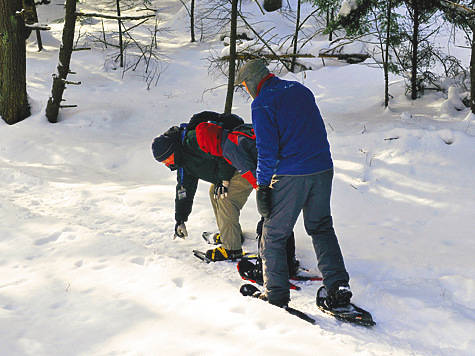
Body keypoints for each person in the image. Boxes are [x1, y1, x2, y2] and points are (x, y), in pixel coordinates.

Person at [234, 59, 352, 308]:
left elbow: (266, 150)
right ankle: (338, 285)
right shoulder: (300, 89)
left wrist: (263, 186)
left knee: (273, 234)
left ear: (253, 82)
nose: (246, 90)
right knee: (321, 227)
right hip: (322, 167)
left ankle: (275, 295)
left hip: (291, 174)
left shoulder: (262, 103)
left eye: (245, 85)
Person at [194, 121, 299, 277]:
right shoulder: (235, 134)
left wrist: (263, 192)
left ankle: (279, 265)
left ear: (209, 144)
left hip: (280, 174)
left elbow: (250, 171)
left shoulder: (229, 146)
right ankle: (285, 261)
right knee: (274, 220)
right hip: (290, 162)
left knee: (270, 221)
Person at [151, 112, 254, 261]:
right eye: (163, 163)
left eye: (166, 160)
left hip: (242, 160)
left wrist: (224, 180)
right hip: (231, 166)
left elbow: (224, 149)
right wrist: (180, 219)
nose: (167, 164)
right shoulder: (181, 160)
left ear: (172, 150)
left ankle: (231, 248)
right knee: (214, 192)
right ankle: (230, 235)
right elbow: (184, 189)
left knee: (225, 197)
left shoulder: (192, 140)